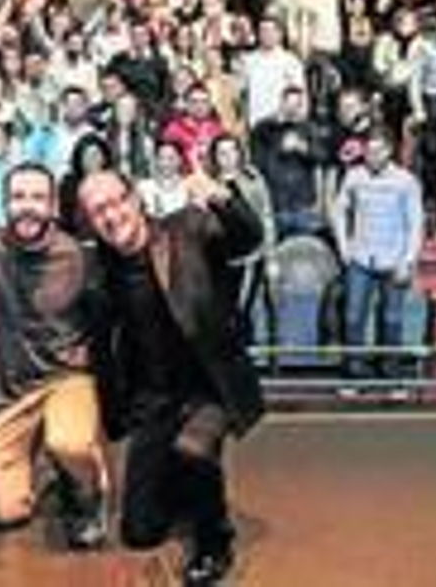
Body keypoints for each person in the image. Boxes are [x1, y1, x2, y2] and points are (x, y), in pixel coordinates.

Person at [77, 168, 265, 585]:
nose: (111, 216)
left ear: (135, 199)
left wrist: (219, 196)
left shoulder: (188, 228)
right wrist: (116, 418)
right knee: (140, 532)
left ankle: (215, 540)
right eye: (98, 211)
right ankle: (186, 483)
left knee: (194, 450)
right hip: (155, 399)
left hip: (210, 384)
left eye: (115, 203)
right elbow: (103, 351)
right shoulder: (101, 273)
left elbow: (250, 238)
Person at [0, 163, 110, 548]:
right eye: (18, 197)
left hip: (65, 380)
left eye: (38, 198)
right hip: (13, 394)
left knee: (69, 444)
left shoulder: (75, 256)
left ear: (54, 206)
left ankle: (88, 494)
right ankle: (46, 464)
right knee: (5, 512)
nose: (28, 206)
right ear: (5, 204)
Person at [330, 130, 424, 378]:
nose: (373, 156)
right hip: (360, 259)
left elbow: (415, 224)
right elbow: (338, 210)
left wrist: (408, 261)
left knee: (392, 319)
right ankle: (353, 373)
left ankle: (390, 373)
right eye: (369, 151)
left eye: (378, 150)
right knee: (352, 317)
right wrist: (344, 246)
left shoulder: (406, 181)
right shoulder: (354, 176)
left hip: (394, 261)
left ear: (389, 151)